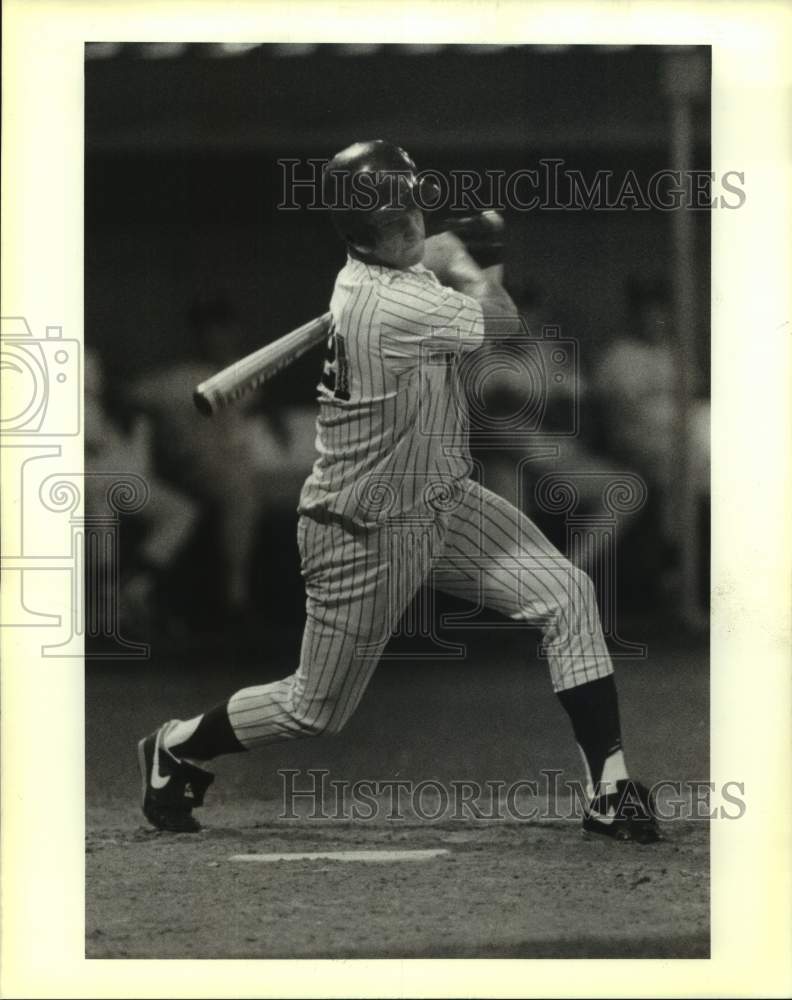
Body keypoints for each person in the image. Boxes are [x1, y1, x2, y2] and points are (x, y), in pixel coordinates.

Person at [138, 140, 660, 843]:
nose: (408, 222)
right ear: (359, 234)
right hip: (361, 529)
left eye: (408, 205)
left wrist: (454, 265)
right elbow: (500, 325)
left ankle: (610, 788)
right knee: (313, 709)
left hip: (439, 498)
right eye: (391, 217)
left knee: (567, 595)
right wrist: (466, 262)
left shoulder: (373, 281)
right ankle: (177, 746)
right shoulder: (390, 305)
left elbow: (467, 318)